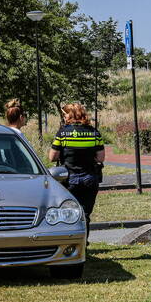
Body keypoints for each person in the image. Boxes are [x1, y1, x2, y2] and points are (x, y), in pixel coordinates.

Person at [49, 103, 105, 241]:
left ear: (71, 114)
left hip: (69, 178)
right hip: (90, 178)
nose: (64, 117)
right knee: (85, 214)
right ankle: (83, 243)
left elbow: (52, 157)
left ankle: (70, 242)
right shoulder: (94, 132)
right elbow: (100, 158)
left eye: (65, 114)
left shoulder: (63, 133)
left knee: (67, 213)